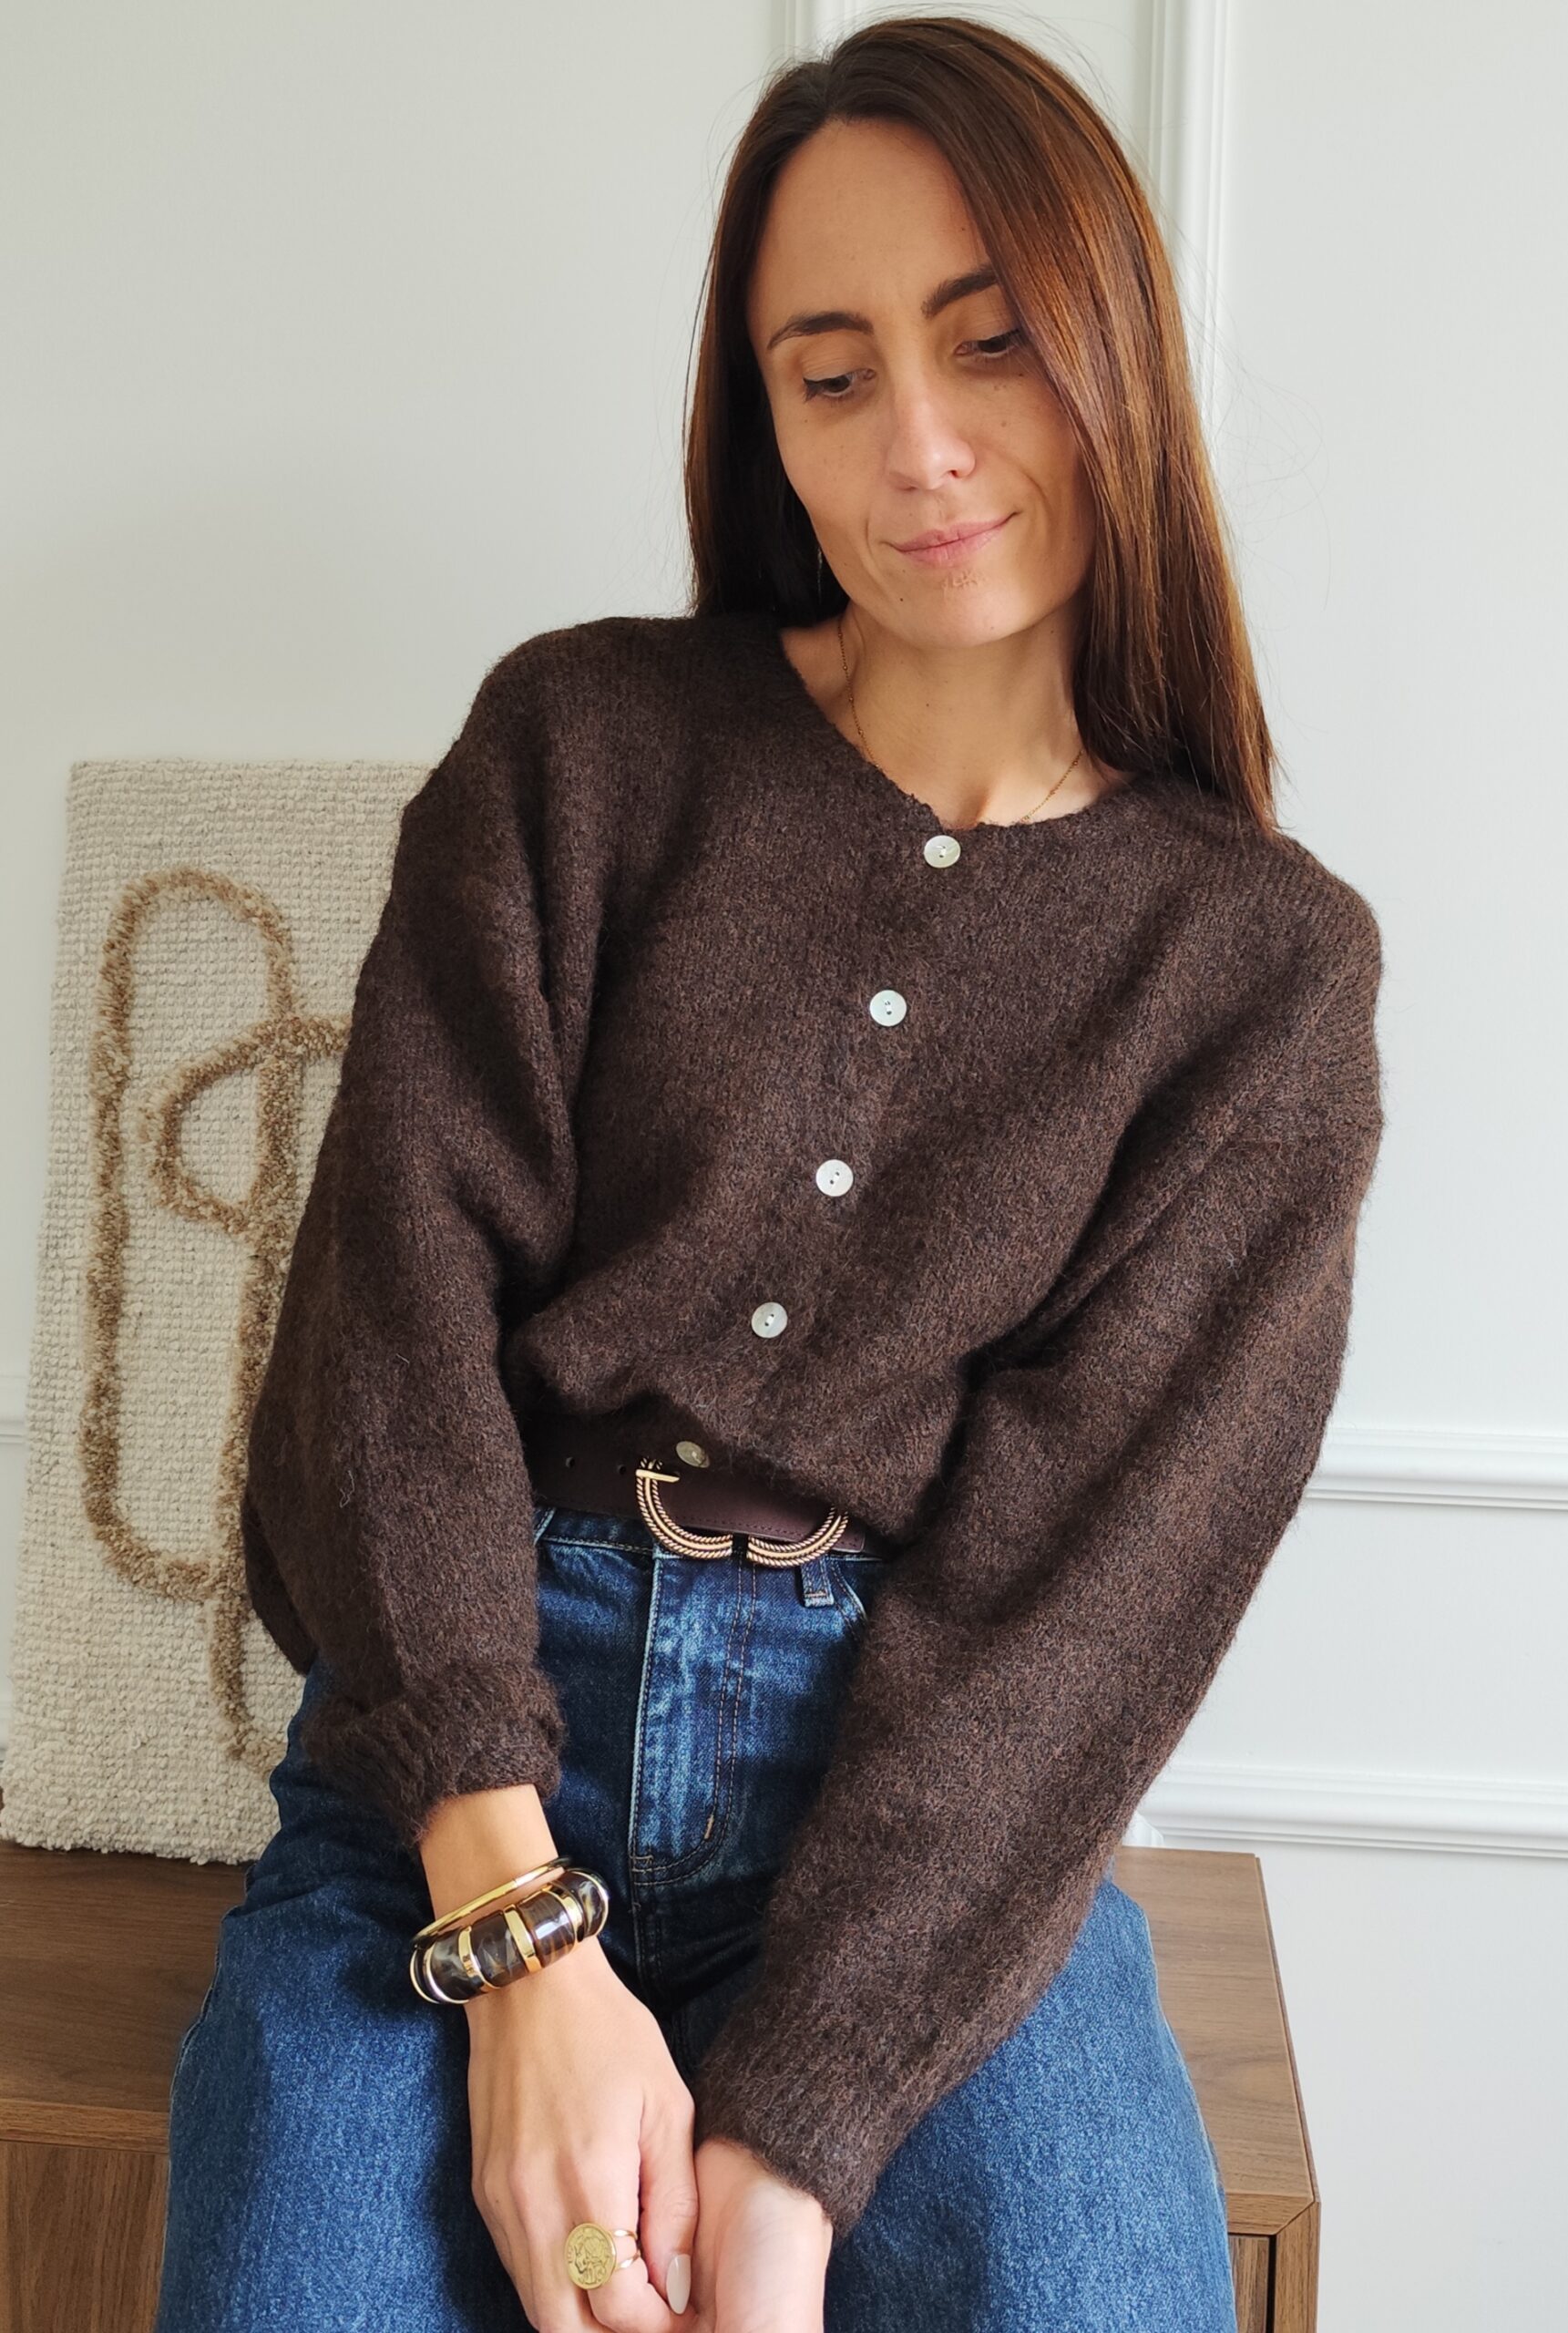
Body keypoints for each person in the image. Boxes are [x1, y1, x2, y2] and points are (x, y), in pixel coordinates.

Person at [153, 17, 1384, 2333]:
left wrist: (796, 2148)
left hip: (915, 1818)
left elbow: (1079, 1618)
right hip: (463, 1746)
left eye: (990, 342)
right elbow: (389, 1332)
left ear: (1111, 346)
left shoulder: (1259, 978)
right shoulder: (581, 746)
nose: (918, 443)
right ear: (766, 424)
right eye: (832, 374)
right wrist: (519, 1937)